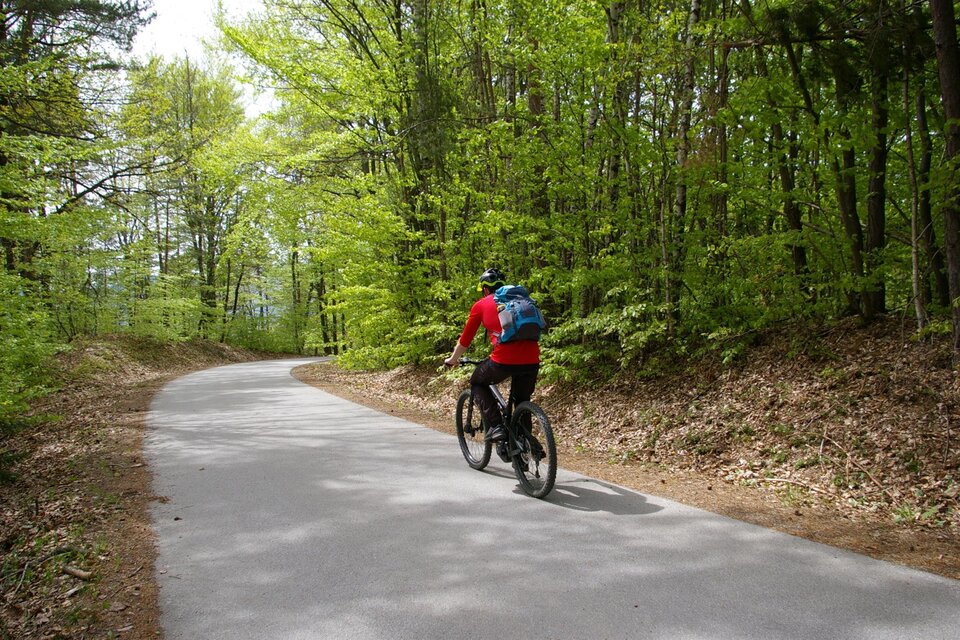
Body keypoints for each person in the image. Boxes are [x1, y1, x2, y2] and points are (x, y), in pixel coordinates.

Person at [444, 268, 540, 442]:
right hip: (532, 358)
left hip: (504, 359)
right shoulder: (520, 300)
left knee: (477, 382)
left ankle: (496, 426)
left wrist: (453, 359)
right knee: (522, 400)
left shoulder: (481, 305)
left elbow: (465, 340)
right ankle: (526, 444)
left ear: (486, 289)